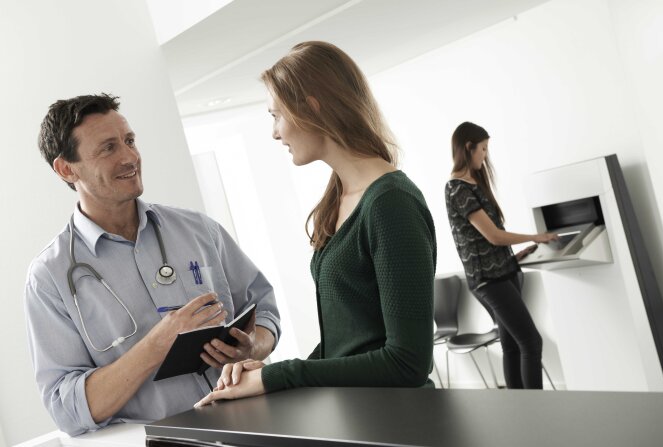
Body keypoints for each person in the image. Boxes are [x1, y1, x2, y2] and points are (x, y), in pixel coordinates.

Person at [195, 41, 437, 406]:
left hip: (401, 419)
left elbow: (408, 362)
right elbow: (347, 343)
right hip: (362, 415)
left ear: (311, 108)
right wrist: (261, 376)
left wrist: (278, 376)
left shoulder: (391, 203)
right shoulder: (340, 197)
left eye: (276, 116)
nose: (275, 133)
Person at [25, 93, 281, 435]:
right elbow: (66, 408)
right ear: (66, 168)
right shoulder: (49, 278)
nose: (130, 157)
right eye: (108, 148)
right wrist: (159, 343)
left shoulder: (199, 230)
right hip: (163, 441)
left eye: (129, 141)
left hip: (256, 426)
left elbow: (263, 308)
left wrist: (254, 345)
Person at [444, 121, 556, 389]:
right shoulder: (457, 188)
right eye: (482, 149)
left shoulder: (474, 184)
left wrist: (513, 256)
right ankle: (538, 410)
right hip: (489, 281)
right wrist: (535, 236)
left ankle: (520, 412)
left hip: (504, 272)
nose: (485, 155)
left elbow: (487, 243)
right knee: (531, 342)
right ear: (468, 147)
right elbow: (492, 235)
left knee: (513, 345)